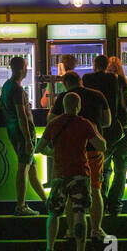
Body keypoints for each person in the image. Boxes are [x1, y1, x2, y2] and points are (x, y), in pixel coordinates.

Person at [35, 93, 106, 251]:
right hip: (80, 173)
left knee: (54, 213)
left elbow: (39, 148)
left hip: (59, 174)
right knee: (80, 212)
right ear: (78, 106)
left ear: (64, 105)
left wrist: (53, 153)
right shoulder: (84, 124)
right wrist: (98, 133)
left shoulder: (54, 123)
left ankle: (49, 250)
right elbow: (101, 146)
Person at [50, 71, 111, 240]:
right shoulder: (98, 95)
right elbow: (108, 121)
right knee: (95, 189)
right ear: (81, 81)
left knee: (72, 192)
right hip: (94, 149)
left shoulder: (64, 97)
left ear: (65, 84)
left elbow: (52, 121)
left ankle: (71, 231)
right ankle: (96, 229)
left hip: (72, 151)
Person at [0, 56, 45, 217]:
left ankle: (48, 203)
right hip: (22, 134)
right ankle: (21, 206)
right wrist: (27, 139)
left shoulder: (6, 86)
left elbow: (1, 106)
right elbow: (22, 116)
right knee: (23, 168)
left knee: (32, 170)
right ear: (22, 69)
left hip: (13, 131)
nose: (27, 70)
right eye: (26, 67)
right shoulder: (18, 90)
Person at [87, 55, 127, 218]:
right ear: (106, 65)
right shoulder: (119, 80)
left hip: (102, 129)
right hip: (122, 126)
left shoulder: (88, 80)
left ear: (94, 65)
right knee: (121, 169)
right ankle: (115, 205)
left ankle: (102, 204)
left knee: (103, 169)